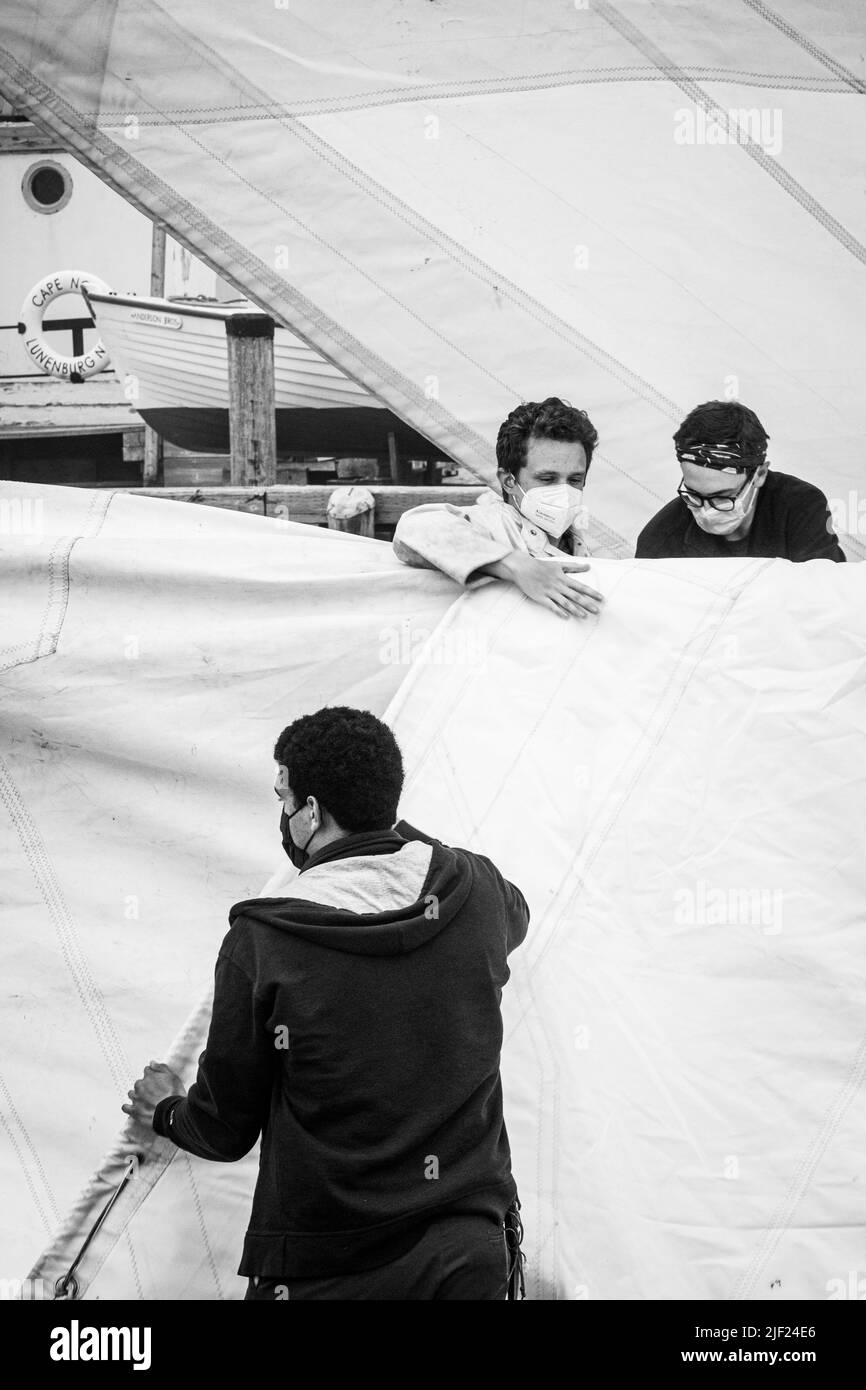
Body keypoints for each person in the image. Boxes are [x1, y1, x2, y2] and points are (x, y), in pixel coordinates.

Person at [123, 706, 530, 1301]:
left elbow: (223, 1128)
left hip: (325, 1272)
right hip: (466, 1256)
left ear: (311, 811)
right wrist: (392, 831)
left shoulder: (264, 941)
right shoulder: (475, 891)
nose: (283, 815)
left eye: (285, 798)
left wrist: (164, 1110)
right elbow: (517, 913)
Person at [393, 396, 607, 620]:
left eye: (574, 480)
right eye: (547, 478)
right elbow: (415, 528)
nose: (563, 492)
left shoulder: (581, 544)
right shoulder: (490, 524)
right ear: (508, 481)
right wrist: (518, 567)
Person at [635, 400, 846, 561]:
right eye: (693, 495)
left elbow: (826, 597)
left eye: (722, 497)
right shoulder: (660, 539)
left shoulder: (800, 506)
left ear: (760, 475)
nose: (707, 511)